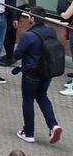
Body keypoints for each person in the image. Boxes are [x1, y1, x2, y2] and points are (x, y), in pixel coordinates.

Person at [11, 14, 64, 144]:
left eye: (29, 16)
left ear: (32, 19)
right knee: (42, 96)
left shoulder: (29, 36)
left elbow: (17, 54)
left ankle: (28, 133)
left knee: (28, 101)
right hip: (47, 72)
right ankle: (53, 125)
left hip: (31, 73)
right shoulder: (50, 31)